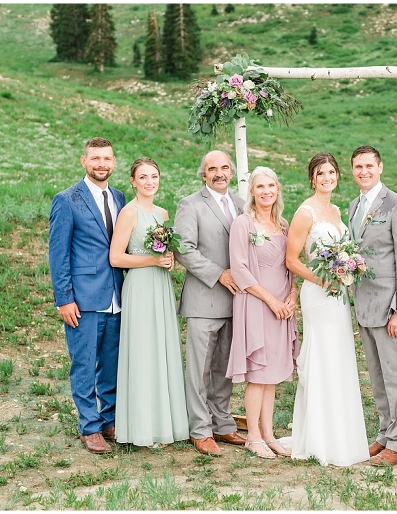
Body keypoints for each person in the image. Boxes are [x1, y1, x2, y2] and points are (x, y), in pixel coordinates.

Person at [286, 152, 370, 467]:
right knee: (321, 356)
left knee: (340, 356)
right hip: (319, 294)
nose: (326, 178)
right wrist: (323, 280)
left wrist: (346, 269)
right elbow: (292, 259)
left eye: (331, 172)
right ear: (312, 178)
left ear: (337, 176)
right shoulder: (305, 212)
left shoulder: (337, 209)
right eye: (321, 173)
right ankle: (320, 436)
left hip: (339, 295)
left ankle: (342, 433)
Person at [49, 137, 125, 454]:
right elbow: (58, 254)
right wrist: (64, 298)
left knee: (110, 365)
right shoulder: (67, 200)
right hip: (82, 299)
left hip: (116, 297)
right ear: (84, 161)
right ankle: (89, 426)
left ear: (114, 162)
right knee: (83, 364)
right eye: (95, 158)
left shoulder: (120, 198)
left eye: (107, 158)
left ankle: (108, 421)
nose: (101, 164)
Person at [109, 158, 189, 447]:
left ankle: (163, 424)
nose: (149, 182)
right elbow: (116, 257)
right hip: (140, 286)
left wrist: (168, 261)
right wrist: (152, 260)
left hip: (160, 285)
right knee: (143, 351)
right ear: (133, 181)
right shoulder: (129, 213)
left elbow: (164, 252)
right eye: (143, 177)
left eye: (154, 176)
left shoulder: (162, 213)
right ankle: (141, 427)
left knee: (161, 349)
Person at [348, 145, 397, 467]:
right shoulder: (353, 205)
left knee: (396, 376)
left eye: (369, 166)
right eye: (358, 167)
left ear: (380, 167)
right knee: (377, 376)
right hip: (364, 306)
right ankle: (385, 432)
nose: (363, 172)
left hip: (390, 309)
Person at [174, 150, 248, 456]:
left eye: (224, 168)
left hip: (237, 302)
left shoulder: (242, 205)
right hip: (204, 299)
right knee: (199, 369)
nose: (219, 173)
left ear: (231, 171)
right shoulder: (190, 204)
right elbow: (182, 249)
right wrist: (219, 274)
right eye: (212, 169)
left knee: (224, 367)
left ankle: (223, 424)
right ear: (203, 174)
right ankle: (200, 429)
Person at [226, 166, 299, 459]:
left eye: (271, 185)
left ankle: (268, 434)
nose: (266, 191)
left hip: (282, 307)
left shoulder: (283, 225)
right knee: (258, 373)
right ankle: (253, 436)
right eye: (260, 187)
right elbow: (239, 269)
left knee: (271, 375)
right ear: (252, 192)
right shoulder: (243, 224)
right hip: (257, 303)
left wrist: (292, 295)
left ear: (277, 189)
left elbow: (290, 265)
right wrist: (272, 301)